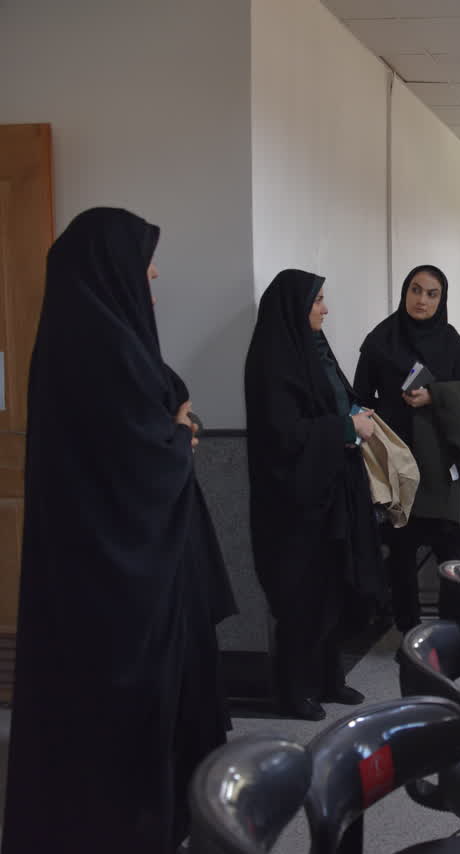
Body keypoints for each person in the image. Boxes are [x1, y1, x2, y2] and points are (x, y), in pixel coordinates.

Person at [3, 207, 235, 853]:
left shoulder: (102, 336)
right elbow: (138, 454)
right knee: (122, 707)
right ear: (110, 267)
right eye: (145, 259)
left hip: (135, 557)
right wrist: (179, 434)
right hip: (113, 573)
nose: (154, 273)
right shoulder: (95, 347)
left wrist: (175, 428)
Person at [245, 269, 383, 720]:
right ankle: (296, 690)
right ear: (294, 308)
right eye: (317, 300)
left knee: (334, 586)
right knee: (301, 594)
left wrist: (355, 413)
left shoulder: (315, 350)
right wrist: (345, 427)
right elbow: (284, 434)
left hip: (334, 489)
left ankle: (329, 678)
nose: (325, 309)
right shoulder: (272, 361)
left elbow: (333, 400)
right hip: (294, 503)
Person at [354, 265, 460, 632]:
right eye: (415, 290)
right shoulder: (380, 340)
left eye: (431, 294)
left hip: (440, 461)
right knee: (401, 551)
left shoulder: (449, 340)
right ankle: (408, 633)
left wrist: (434, 395)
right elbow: (361, 398)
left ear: (441, 300)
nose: (421, 299)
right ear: (405, 292)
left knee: (451, 549)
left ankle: (455, 631)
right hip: (397, 460)